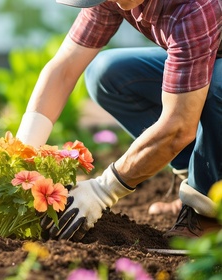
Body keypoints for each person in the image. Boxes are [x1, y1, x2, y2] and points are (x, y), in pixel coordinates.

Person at [15, 0, 222, 241]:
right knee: (108, 74)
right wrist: (22, 154)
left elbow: (179, 127)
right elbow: (63, 69)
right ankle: (199, 182)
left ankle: (209, 211)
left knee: (216, 87)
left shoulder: (194, 6)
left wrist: (104, 189)